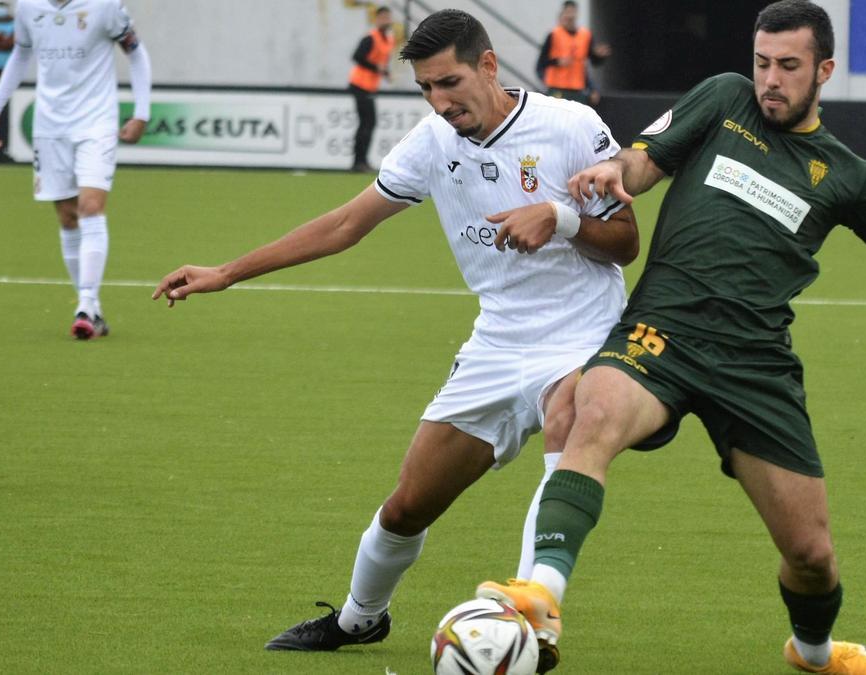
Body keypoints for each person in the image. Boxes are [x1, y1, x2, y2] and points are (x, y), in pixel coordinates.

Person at [477, 2, 866, 674]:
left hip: (754, 364)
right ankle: (542, 594)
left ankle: (815, 653)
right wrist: (612, 174)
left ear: (824, 70)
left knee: (811, 554)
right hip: (662, 331)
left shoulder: (848, 175)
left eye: (789, 66)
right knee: (589, 410)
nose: (771, 79)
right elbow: (641, 165)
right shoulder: (723, 100)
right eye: (763, 63)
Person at [151, 9, 638, 660]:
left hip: (584, 331)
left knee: (569, 416)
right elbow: (345, 224)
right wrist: (227, 272)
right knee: (408, 505)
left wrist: (561, 218)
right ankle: (360, 617)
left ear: (488, 66)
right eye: (426, 88)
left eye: (450, 82)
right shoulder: (432, 144)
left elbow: (626, 244)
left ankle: (533, 614)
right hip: (498, 341)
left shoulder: (571, 127)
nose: (440, 101)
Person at [0, 0, 151, 340]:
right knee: (67, 217)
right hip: (50, 126)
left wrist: (141, 112)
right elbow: (20, 54)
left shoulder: (105, 7)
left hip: (96, 123)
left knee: (90, 206)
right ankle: (93, 310)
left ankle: (85, 304)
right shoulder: (29, 7)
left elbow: (135, 52)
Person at [536, 0, 610, 106]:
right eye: (568, 12)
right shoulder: (553, 35)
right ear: (563, 13)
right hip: (557, 88)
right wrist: (557, 62)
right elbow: (541, 63)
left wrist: (599, 56)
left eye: (573, 12)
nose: (570, 16)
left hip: (577, 89)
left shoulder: (585, 35)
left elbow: (592, 62)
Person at [348, 4, 395, 173]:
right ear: (376, 20)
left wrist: (385, 73)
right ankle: (358, 161)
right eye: (383, 17)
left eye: (388, 17)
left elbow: (381, 62)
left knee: (369, 123)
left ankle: (361, 161)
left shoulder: (388, 39)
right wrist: (377, 69)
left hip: (370, 86)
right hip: (360, 84)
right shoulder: (370, 37)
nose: (386, 20)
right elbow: (357, 57)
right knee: (366, 123)